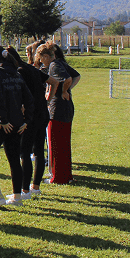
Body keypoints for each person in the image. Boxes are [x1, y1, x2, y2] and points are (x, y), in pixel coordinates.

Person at [5, 45, 64, 199]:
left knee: (25, 151)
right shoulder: (31, 68)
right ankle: (35, 187)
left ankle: (25, 190)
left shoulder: (19, 72)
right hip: (43, 113)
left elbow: (21, 94)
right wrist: (47, 100)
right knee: (38, 151)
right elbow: (54, 82)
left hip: (31, 115)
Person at [0, 45, 33, 209]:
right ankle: (17, 196)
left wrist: (3, 120)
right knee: (14, 159)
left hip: (0, 124)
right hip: (17, 123)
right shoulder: (16, 73)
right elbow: (29, 99)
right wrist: (26, 120)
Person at [37, 42, 78, 184]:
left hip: (57, 109)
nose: (40, 61)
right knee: (64, 144)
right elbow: (76, 76)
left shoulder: (54, 65)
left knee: (55, 144)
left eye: (41, 58)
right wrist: (67, 90)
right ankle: (66, 175)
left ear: (46, 56)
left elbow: (68, 79)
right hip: (66, 108)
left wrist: (65, 90)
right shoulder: (61, 63)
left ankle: (57, 177)